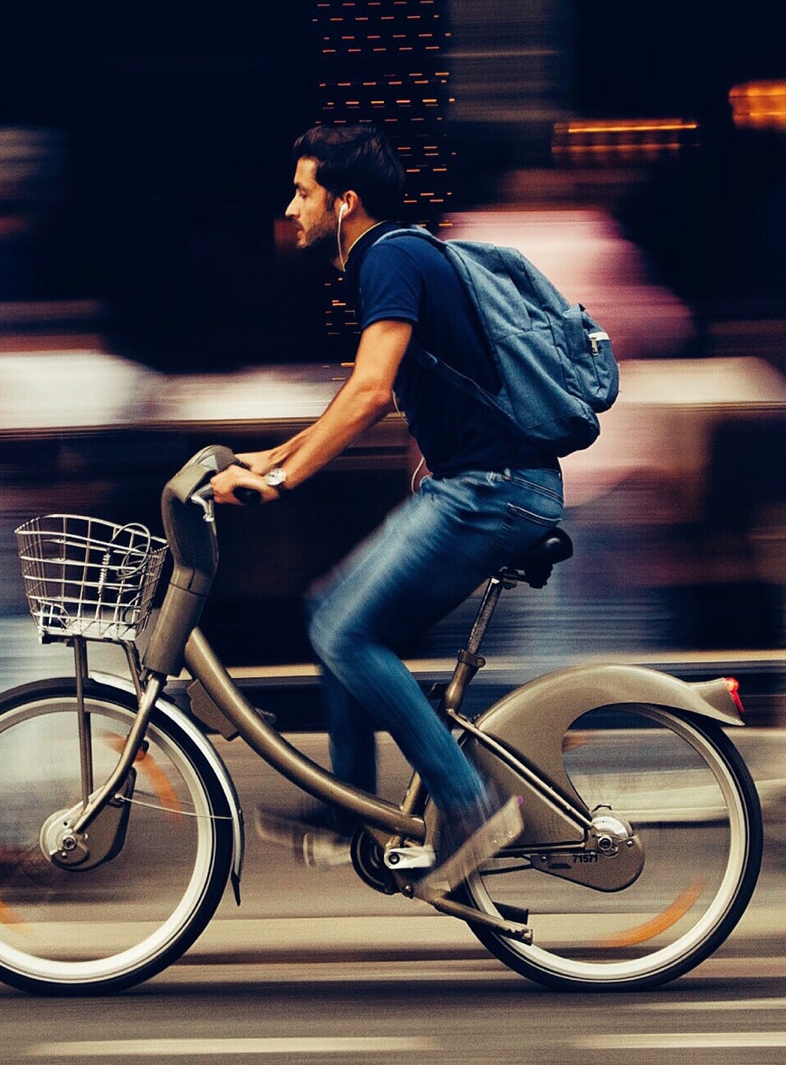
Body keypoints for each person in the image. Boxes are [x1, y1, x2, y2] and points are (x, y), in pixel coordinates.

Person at [211, 124, 563, 898]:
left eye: (303, 192)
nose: (291, 206)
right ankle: (353, 810)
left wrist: (283, 482)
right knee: (329, 607)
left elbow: (369, 390)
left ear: (345, 202)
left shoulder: (391, 257)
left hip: (493, 488)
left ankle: (472, 806)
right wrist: (273, 455)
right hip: (477, 485)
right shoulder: (397, 255)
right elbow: (368, 402)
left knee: (344, 630)